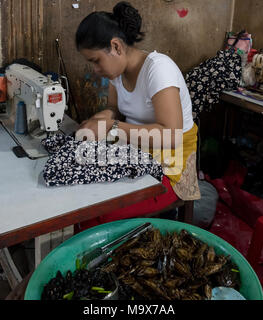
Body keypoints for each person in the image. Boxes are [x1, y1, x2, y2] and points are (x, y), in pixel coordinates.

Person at [75, 1, 201, 230]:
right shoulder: (118, 73)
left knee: (95, 213)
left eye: (95, 61)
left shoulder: (159, 69)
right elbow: (115, 108)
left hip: (171, 168)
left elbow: (171, 136)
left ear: (116, 47)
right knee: (82, 194)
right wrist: (101, 118)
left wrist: (111, 128)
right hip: (138, 154)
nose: (94, 69)